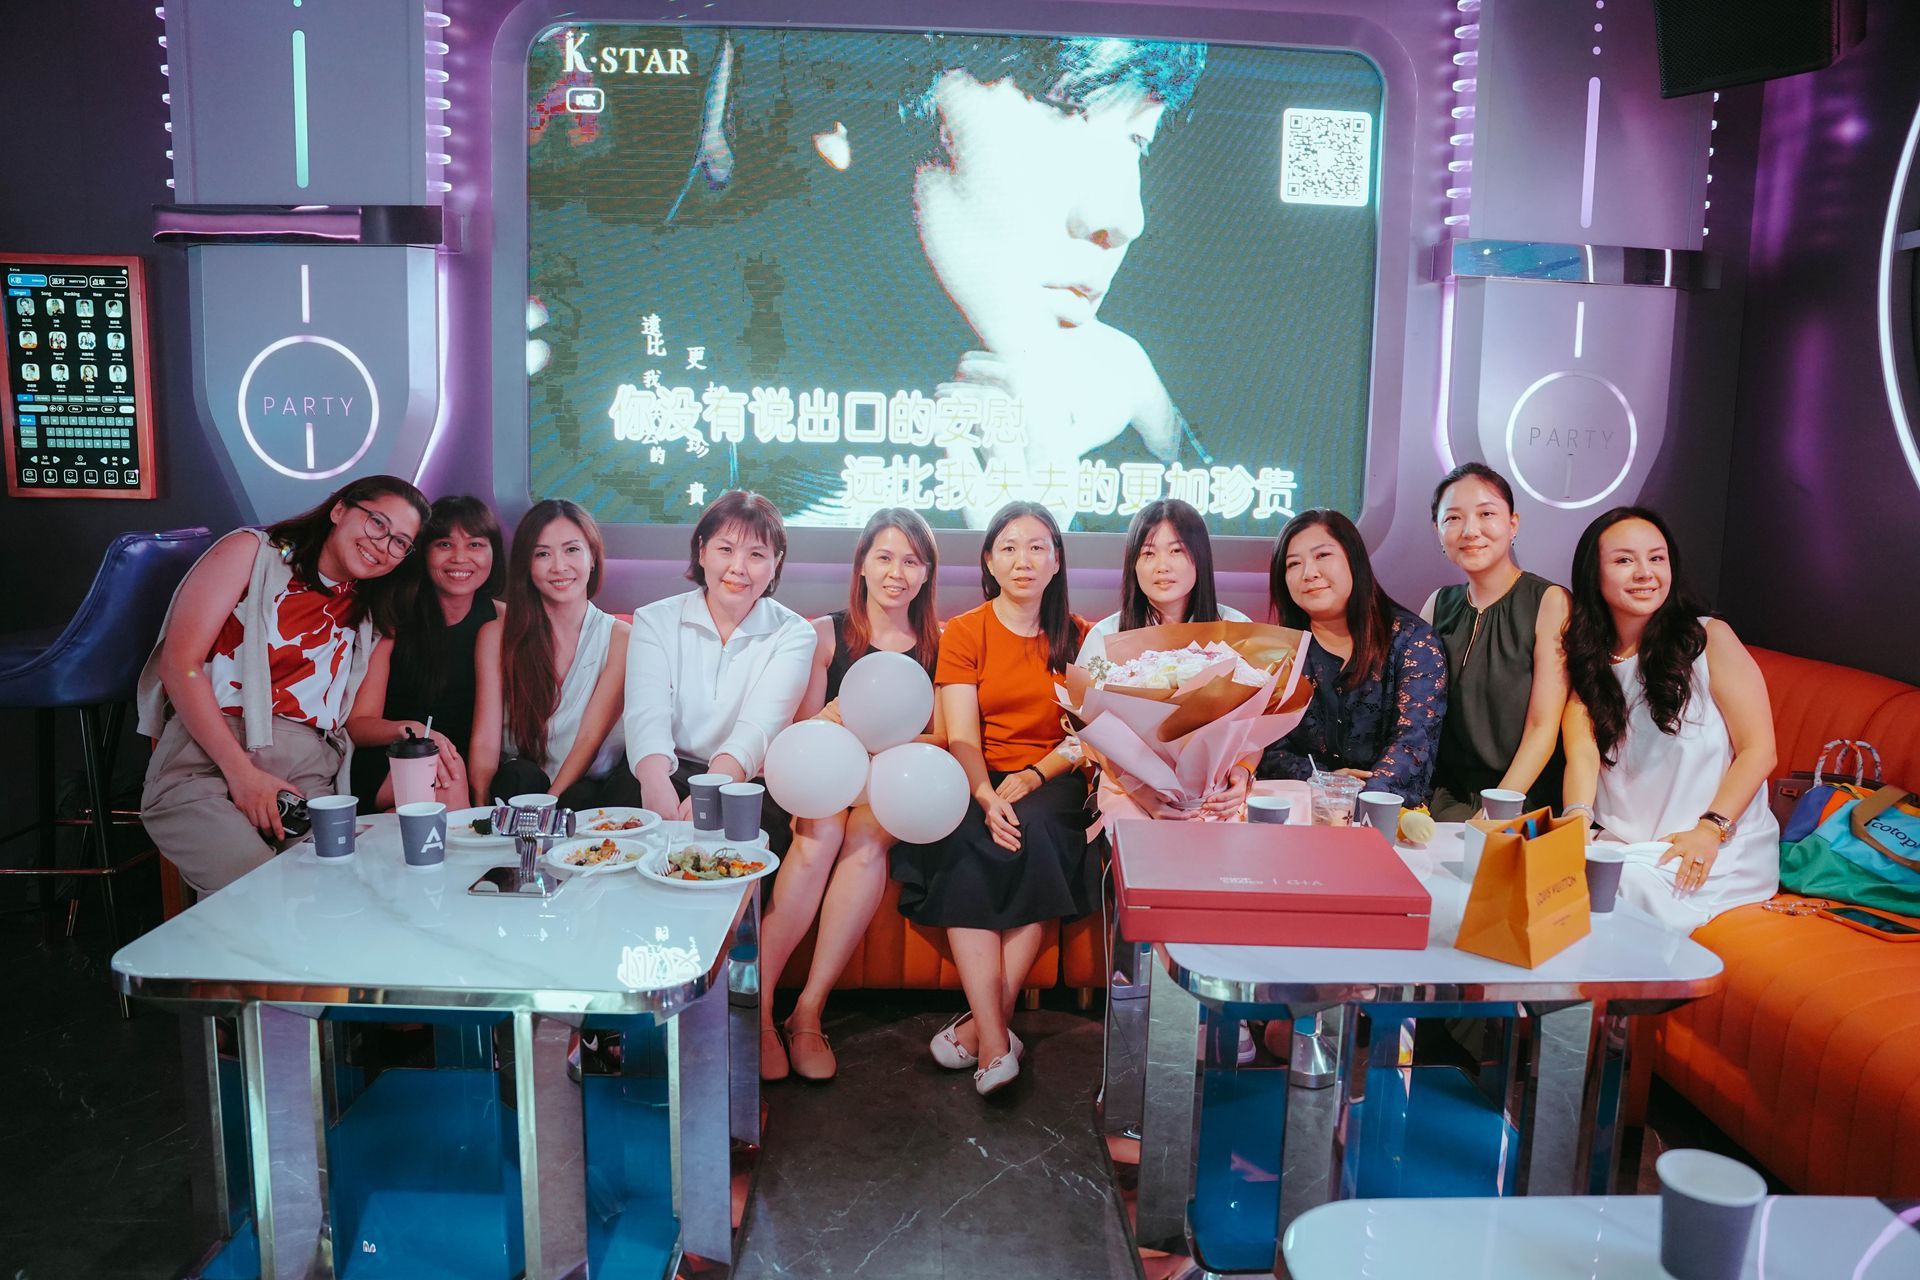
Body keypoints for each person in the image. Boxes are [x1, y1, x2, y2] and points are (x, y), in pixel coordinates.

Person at [137, 475, 429, 893]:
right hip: (208, 757)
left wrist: (407, 731)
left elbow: (357, 720)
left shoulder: (369, 610)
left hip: (307, 771)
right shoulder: (252, 553)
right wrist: (242, 774)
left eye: (400, 542)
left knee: (341, 892)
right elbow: (180, 663)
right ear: (340, 510)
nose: (383, 544)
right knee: (259, 889)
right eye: (377, 523)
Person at [890, 501, 1095, 1096]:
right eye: (1008, 547)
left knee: (1040, 832)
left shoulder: (1083, 638)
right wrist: (983, 795)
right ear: (988, 561)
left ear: (1056, 561)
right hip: (976, 771)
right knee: (963, 836)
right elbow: (960, 734)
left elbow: (1090, 736)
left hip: (1053, 777)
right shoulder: (966, 631)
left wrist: (1034, 776)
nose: (1022, 560)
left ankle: (984, 1033)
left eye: (1037, 547)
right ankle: (997, 1040)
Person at [758, 508, 944, 1082]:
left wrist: (889, 736)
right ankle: (758, 1009)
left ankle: (808, 1011)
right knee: (821, 834)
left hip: (890, 784)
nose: (896, 573)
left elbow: (942, 735)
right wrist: (837, 722)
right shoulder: (824, 635)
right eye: (884, 557)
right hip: (821, 777)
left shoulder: (939, 644)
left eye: (911, 561)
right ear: (862, 564)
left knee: (865, 841)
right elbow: (801, 730)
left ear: (926, 573)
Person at [1560, 507, 1779, 931]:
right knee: (1548, 875)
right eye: (1624, 560)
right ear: (1594, 574)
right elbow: (1583, 757)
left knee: (1616, 890)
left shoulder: (1709, 639)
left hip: (1715, 845)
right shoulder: (1589, 660)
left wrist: (1710, 829)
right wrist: (1576, 821)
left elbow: (1759, 751)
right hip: (1628, 844)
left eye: (1656, 558)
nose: (1645, 573)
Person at [623, 490, 815, 848]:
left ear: (776, 562)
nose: (738, 568)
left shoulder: (794, 634)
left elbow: (760, 726)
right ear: (702, 551)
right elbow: (645, 714)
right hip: (662, 769)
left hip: (744, 782)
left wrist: (711, 788)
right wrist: (653, 783)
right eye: (725, 549)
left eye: (756, 555)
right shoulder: (654, 620)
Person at [1077, 496, 1253, 819]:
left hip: (1216, 794)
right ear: (1134, 564)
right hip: (1129, 789)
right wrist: (1139, 790)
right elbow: (1090, 729)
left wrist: (1242, 773)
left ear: (1199, 558)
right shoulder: (1106, 636)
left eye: (1176, 551)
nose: (1162, 566)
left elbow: (1254, 724)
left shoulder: (1237, 630)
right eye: (1148, 553)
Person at [1257, 509, 1447, 804]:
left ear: (1353, 559)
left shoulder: (1412, 640)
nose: (1309, 573)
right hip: (1303, 809)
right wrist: (1326, 782)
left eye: (1322, 555)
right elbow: (1269, 750)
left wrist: (1357, 800)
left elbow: (1414, 742)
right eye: (1293, 563)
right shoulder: (1280, 652)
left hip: (1389, 813)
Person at [1419, 463, 1570, 820]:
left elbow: (1542, 728)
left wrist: (1494, 810)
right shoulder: (1437, 604)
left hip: (1520, 803)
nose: (1470, 531)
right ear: (1438, 531)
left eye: (1486, 514)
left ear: (1512, 523)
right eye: (1453, 518)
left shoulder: (1549, 602)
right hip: (1444, 800)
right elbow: (1417, 714)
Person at [470, 500, 635, 809]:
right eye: (542, 554)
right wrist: (478, 811)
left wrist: (549, 805)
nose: (559, 566)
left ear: (592, 558)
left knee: (586, 796)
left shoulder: (621, 638)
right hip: (521, 784)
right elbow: (485, 740)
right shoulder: (495, 636)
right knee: (519, 778)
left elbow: (590, 737)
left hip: (586, 787)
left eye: (571, 550)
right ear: (526, 565)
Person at [345, 496, 504, 809]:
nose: (460, 558)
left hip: (462, 765)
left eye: (475, 545)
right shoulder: (393, 618)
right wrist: (413, 731)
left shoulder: (502, 621)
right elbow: (360, 724)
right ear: (423, 552)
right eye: (444, 544)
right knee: (439, 783)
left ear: (493, 553)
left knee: (434, 796)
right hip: (393, 757)